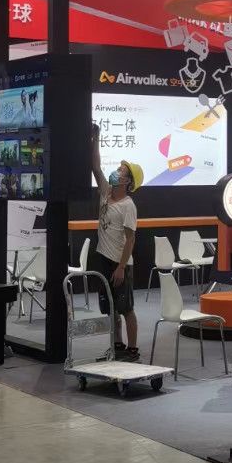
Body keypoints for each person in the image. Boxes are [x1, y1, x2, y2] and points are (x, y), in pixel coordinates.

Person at [92, 124, 143, 361]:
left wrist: (121, 267)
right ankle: (117, 346)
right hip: (103, 258)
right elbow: (95, 166)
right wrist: (96, 137)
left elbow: (131, 238)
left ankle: (132, 350)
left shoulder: (128, 206)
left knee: (126, 308)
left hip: (120, 263)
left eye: (121, 171)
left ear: (128, 182)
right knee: (110, 307)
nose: (116, 172)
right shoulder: (105, 192)